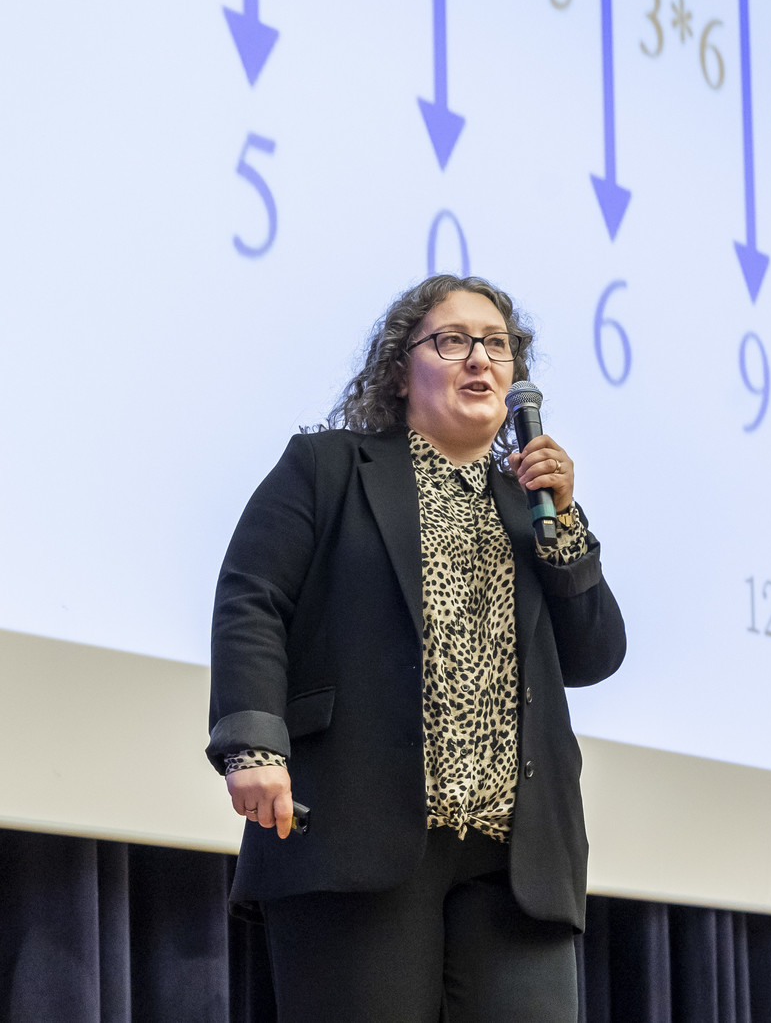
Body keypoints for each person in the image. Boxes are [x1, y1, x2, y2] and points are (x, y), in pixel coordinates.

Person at [205, 274, 627, 1021]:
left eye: (497, 345)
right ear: (401, 371)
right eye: (453, 341)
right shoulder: (328, 468)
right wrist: (252, 745)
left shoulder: (531, 512)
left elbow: (595, 655)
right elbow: (252, 598)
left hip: (514, 860)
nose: (481, 359)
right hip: (359, 831)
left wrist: (565, 522)